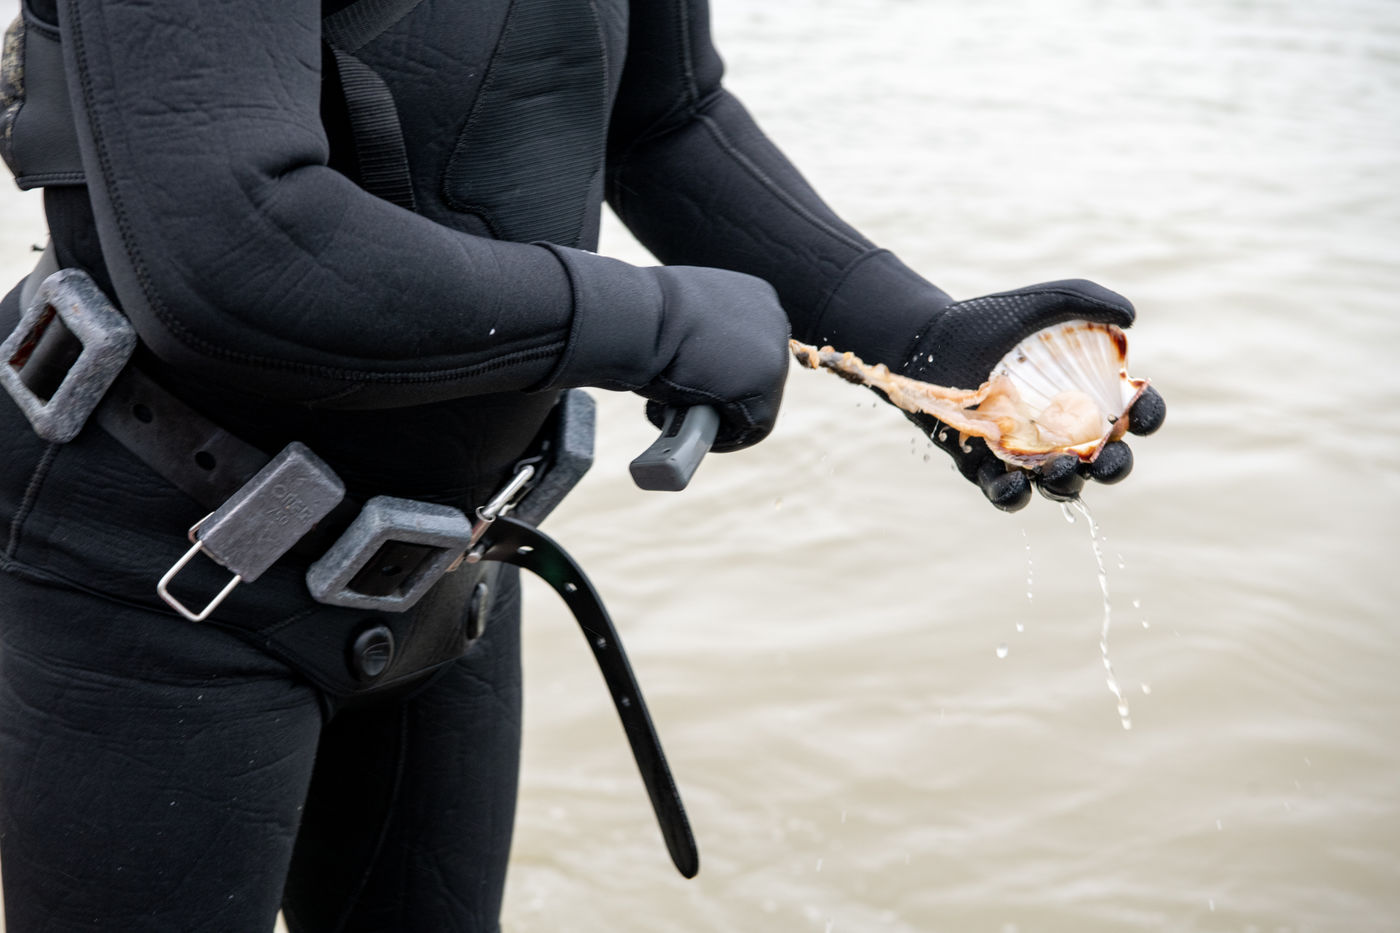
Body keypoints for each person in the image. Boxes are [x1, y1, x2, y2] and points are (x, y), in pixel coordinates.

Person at [0, 0, 1165, 930]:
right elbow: (235, 244)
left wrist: (914, 336)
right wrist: (654, 323)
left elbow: (666, 118)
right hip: (147, 575)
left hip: (440, 566)